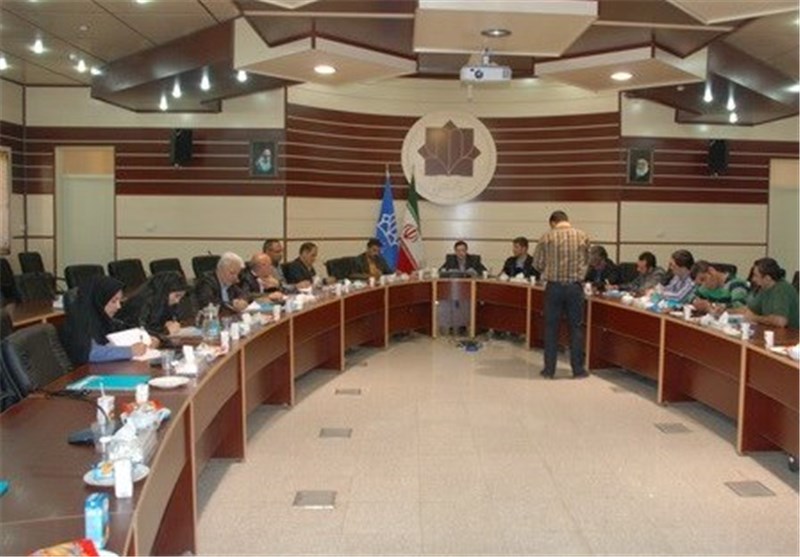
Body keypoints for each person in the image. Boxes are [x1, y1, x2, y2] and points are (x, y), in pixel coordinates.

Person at [532, 210, 590, 379]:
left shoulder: (546, 237)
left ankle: (549, 370)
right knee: (576, 328)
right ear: (566, 220)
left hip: (554, 288)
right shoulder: (583, 236)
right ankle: (578, 370)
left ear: (553, 222)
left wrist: (550, 269)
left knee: (551, 329)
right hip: (575, 287)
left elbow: (537, 264)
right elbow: (587, 261)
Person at [61, 275, 149, 365]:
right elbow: (90, 353)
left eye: (120, 301)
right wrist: (129, 351)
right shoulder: (79, 322)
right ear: (99, 300)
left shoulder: (102, 319)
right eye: (114, 301)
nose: (119, 306)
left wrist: (148, 339)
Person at [116, 271, 190, 341]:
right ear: (164, 291)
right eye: (177, 296)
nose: (177, 301)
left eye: (181, 297)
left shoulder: (164, 301)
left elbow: (161, 323)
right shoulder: (142, 302)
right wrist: (165, 330)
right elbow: (139, 331)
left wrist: (169, 323)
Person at [735, 257, 799, 328]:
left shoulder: (782, 289)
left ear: (767, 278)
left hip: (792, 333)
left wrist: (755, 318)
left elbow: (781, 321)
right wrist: (727, 311)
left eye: (756, 275)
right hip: (774, 331)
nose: (753, 279)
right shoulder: (764, 287)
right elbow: (750, 310)